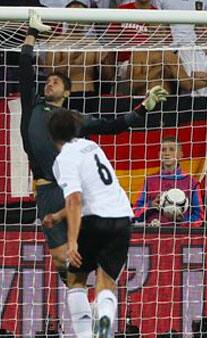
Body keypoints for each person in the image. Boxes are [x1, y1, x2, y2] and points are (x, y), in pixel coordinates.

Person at [22, 11, 168, 285]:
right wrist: (32, 34)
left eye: (56, 81)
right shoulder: (32, 108)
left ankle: (95, 299)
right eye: (48, 80)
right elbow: (24, 69)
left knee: (88, 257)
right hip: (47, 189)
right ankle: (82, 303)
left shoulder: (73, 120)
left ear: (67, 92)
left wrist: (143, 108)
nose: (49, 82)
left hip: (76, 190)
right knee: (62, 261)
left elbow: (113, 125)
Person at [48, 109, 133, 338]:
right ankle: (104, 320)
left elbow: (75, 199)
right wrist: (58, 216)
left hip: (94, 219)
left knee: (76, 280)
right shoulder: (93, 147)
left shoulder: (64, 158)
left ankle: (85, 334)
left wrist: (73, 242)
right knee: (106, 283)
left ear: (51, 135)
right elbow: (93, 191)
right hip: (122, 217)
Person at [133, 136, 203, 227]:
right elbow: (135, 212)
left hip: (180, 236)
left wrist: (182, 221)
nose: (167, 153)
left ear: (180, 155)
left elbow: (199, 217)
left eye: (171, 150)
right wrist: (151, 205)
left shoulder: (191, 182)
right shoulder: (150, 180)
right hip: (152, 235)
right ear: (159, 155)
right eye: (163, 150)